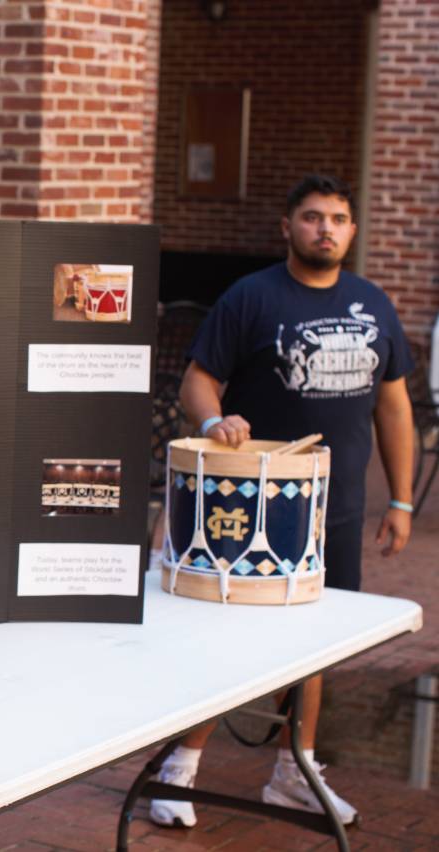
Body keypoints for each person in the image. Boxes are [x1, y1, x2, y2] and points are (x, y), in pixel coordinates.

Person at [152, 174, 414, 828]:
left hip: (338, 507)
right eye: (313, 217)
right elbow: (198, 383)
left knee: (316, 643)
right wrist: (215, 425)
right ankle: (179, 768)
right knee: (228, 639)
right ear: (288, 226)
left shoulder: (373, 304)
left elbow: (394, 406)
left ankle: (295, 772)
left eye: (338, 219)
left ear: (352, 231)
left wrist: (403, 501)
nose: (326, 228)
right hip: (252, 501)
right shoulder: (252, 298)